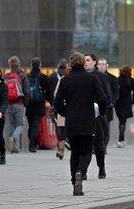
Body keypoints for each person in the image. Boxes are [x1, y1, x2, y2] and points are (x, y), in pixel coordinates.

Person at [54, 51, 108, 196]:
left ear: (70, 64)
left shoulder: (65, 80)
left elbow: (57, 103)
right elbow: (103, 99)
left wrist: (65, 112)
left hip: (72, 122)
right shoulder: (92, 78)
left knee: (75, 153)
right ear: (84, 63)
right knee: (86, 152)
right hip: (88, 121)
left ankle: (74, 182)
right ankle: (80, 172)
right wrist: (100, 112)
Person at [84, 53, 111, 178]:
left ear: (94, 62)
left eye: (88, 60)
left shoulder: (101, 77)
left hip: (97, 115)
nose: (86, 62)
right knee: (84, 144)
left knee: (99, 144)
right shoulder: (80, 76)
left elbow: (107, 97)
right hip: (83, 115)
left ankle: (101, 167)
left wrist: (101, 111)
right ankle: (82, 170)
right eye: (84, 60)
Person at [25, 57, 52, 153]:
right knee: (36, 125)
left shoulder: (26, 76)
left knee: (31, 125)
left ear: (31, 65)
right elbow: (49, 92)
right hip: (39, 104)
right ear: (40, 65)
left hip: (29, 105)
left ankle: (32, 143)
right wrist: (50, 102)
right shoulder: (44, 77)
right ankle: (33, 145)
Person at [4, 56, 30, 154]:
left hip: (8, 104)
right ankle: (13, 138)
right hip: (19, 103)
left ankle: (14, 147)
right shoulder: (22, 75)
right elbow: (27, 91)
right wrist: (25, 103)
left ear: (9, 64)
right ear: (18, 63)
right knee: (20, 124)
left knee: (11, 125)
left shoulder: (6, 76)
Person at [98, 58, 119, 148]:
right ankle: (98, 145)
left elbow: (116, 92)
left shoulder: (113, 78)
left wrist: (112, 103)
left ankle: (104, 145)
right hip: (96, 106)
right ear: (97, 65)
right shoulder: (94, 76)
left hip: (107, 106)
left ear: (107, 66)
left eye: (103, 64)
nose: (102, 66)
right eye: (100, 64)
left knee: (106, 127)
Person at [49, 59, 69, 159]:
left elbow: (55, 94)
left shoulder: (58, 78)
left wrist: (54, 105)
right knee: (65, 129)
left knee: (61, 129)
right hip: (73, 108)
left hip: (61, 108)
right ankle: (63, 147)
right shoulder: (69, 78)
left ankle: (61, 149)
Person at [115, 66, 134, 148]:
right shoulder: (131, 81)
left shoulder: (117, 80)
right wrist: (133, 102)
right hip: (127, 104)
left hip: (118, 104)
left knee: (121, 121)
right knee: (123, 122)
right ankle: (121, 139)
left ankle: (121, 139)